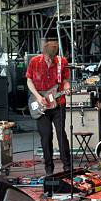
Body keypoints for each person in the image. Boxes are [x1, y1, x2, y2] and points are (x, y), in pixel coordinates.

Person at [26, 40, 72, 175]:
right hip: (40, 102)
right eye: (46, 57)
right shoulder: (34, 61)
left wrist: (67, 88)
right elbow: (29, 80)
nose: (48, 61)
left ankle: (67, 166)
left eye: (51, 59)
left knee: (61, 134)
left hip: (58, 103)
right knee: (46, 137)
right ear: (43, 54)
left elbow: (65, 81)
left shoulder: (62, 62)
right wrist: (39, 97)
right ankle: (49, 168)